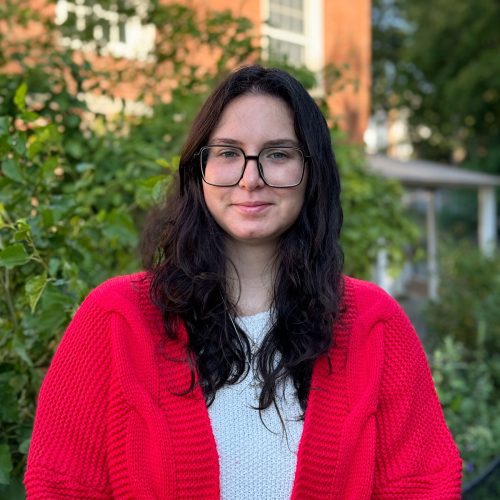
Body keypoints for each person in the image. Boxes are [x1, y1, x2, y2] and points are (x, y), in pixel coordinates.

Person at [25, 65, 462, 499]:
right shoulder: (116, 318)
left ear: (312, 172)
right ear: (199, 168)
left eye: (278, 154)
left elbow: (424, 485)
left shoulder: (374, 323)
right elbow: (61, 486)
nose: (251, 179)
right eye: (229, 152)